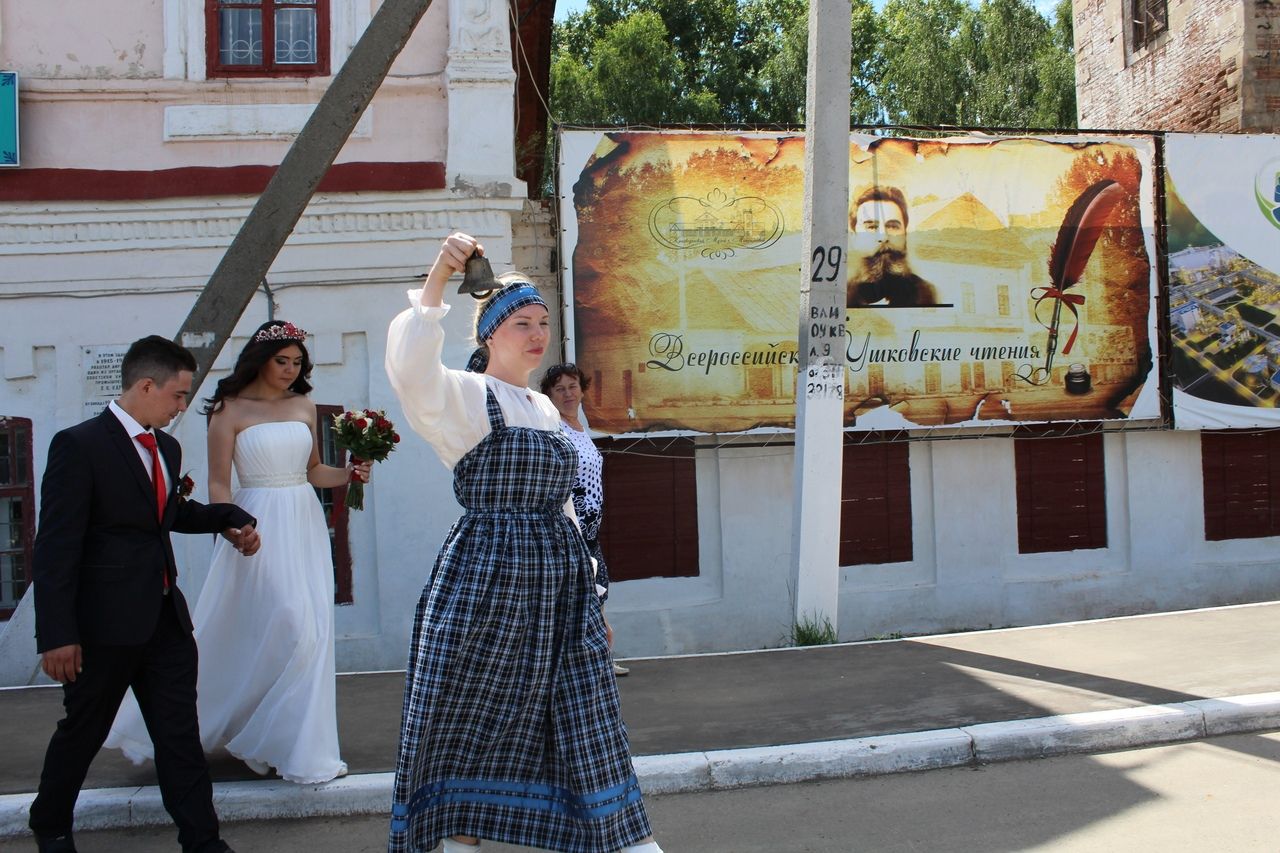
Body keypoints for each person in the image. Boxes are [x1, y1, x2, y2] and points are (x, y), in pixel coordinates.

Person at [385, 232, 661, 853]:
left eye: (542, 322)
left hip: (558, 584)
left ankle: (627, 841)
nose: (536, 335)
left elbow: (566, 508)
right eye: (520, 324)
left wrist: (594, 596)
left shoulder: (542, 405)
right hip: (489, 578)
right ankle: (459, 839)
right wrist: (438, 275)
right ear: (489, 333)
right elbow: (409, 370)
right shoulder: (464, 396)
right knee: (471, 714)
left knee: (585, 710)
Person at [105, 320, 368, 785]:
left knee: (311, 629)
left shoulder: (304, 405)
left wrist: (350, 474)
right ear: (260, 361)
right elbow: (219, 483)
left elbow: (313, 472)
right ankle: (241, 730)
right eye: (281, 361)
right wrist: (230, 528)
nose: (290, 370)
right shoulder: (227, 409)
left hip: (303, 521)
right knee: (282, 624)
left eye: (297, 362)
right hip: (256, 520)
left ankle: (289, 745)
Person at [29, 335, 260, 853]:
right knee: (82, 733)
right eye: (178, 395)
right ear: (146, 385)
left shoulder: (168, 448)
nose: (183, 406)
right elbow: (56, 546)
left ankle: (203, 842)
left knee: (180, 737)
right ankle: (50, 825)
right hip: (100, 629)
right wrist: (57, 634)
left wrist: (228, 517)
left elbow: (165, 517)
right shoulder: (79, 445)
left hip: (164, 624)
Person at [540, 362, 629, 678]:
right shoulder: (554, 427)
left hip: (591, 525)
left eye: (572, 386)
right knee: (586, 591)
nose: (567, 394)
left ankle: (599, 657)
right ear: (549, 394)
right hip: (571, 526)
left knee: (598, 588)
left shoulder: (580, 425)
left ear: (582, 389)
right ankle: (586, 663)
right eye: (559, 388)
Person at [847, 185, 942, 307]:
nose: (884, 237)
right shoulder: (840, 294)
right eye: (871, 227)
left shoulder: (927, 295)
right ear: (854, 237)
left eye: (892, 226)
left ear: (905, 236)